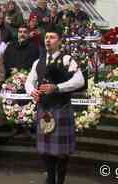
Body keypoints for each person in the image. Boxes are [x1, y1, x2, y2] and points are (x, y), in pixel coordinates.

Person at [25, 28, 85, 184]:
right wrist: (32, 92)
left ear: (59, 41)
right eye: (46, 37)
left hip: (61, 108)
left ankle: (60, 181)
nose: (48, 40)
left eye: (52, 37)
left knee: (62, 152)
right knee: (46, 151)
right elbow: (29, 81)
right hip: (44, 108)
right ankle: (50, 179)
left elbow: (80, 81)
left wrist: (57, 87)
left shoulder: (67, 60)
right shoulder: (38, 62)